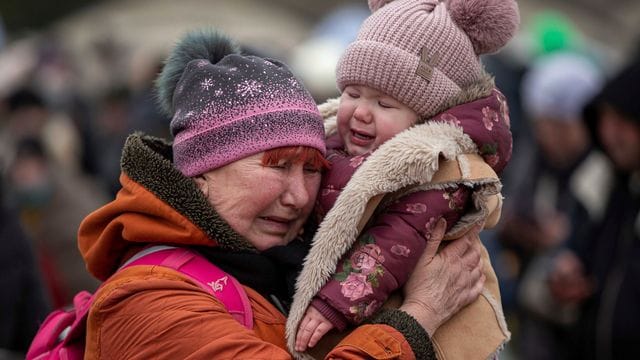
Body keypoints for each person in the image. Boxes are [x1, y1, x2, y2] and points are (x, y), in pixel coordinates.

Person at [77, 28, 485, 359]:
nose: (299, 197)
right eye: (277, 165)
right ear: (202, 173)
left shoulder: (288, 264)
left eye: (312, 170)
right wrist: (419, 317)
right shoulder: (147, 299)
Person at [288, 0, 519, 357]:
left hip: (430, 334)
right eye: (353, 93)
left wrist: (335, 303)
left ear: (425, 117)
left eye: (385, 103)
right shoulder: (335, 139)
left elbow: (396, 239)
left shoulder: (439, 170)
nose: (361, 111)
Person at [498, 51, 610, 360]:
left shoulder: (603, 173)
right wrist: (531, 234)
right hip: (528, 312)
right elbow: (504, 215)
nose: (546, 135)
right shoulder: (536, 160)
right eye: (543, 124)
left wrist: (568, 243)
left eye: (555, 124)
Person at [547, 53, 640, 360]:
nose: (611, 133)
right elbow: (578, 253)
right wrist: (566, 271)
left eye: (624, 121)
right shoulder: (602, 185)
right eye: (605, 119)